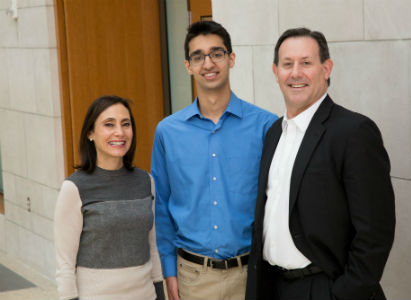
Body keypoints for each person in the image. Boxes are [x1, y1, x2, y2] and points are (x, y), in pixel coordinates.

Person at [246, 28, 396, 300]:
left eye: (306, 63)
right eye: (287, 64)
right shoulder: (273, 134)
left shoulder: (353, 132)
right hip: (274, 286)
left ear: (326, 68)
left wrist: (342, 294)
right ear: (275, 71)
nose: (295, 73)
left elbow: (375, 234)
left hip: (325, 288)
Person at [151, 21, 278, 300]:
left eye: (217, 53)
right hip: (193, 279)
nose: (208, 63)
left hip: (252, 276)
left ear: (231, 59)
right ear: (188, 65)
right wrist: (169, 270)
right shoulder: (167, 132)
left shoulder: (266, 126)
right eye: (198, 56)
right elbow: (161, 205)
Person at [54, 95, 164, 300]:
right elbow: (65, 265)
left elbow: (153, 247)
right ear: (90, 133)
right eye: (108, 124)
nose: (119, 132)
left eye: (126, 124)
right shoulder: (74, 188)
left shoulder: (145, 181)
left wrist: (160, 293)